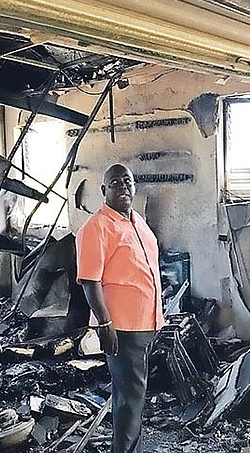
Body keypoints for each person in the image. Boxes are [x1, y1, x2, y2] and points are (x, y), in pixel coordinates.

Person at [75, 163, 163, 453]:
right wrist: (104, 324)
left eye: (127, 181)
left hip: (145, 325)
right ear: (104, 191)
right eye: (115, 183)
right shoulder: (97, 227)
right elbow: (90, 281)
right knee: (130, 402)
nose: (122, 186)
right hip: (122, 329)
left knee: (130, 399)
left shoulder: (136, 221)